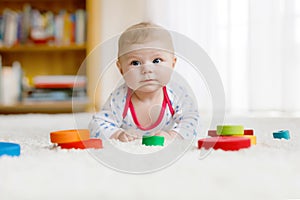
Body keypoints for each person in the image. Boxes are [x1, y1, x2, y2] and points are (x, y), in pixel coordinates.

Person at [89, 22, 199, 142]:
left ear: (172, 64)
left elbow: (192, 121)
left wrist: (172, 136)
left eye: (157, 60)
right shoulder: (120, 98)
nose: (147, 69)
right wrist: (117, 134)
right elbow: (97, 124)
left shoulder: (176, 94)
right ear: (121, 69)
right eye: (135, 63)